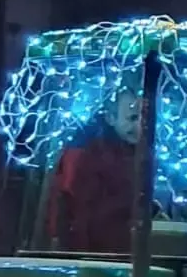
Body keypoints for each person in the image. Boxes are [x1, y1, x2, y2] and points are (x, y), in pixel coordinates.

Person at [46, 89, 140, 253]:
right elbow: (77, 210)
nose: (139, 126)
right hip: (96, 253)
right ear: (110, 118)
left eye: (144, 118)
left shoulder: (137, 153)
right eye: (132, 118)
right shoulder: (88, 154)